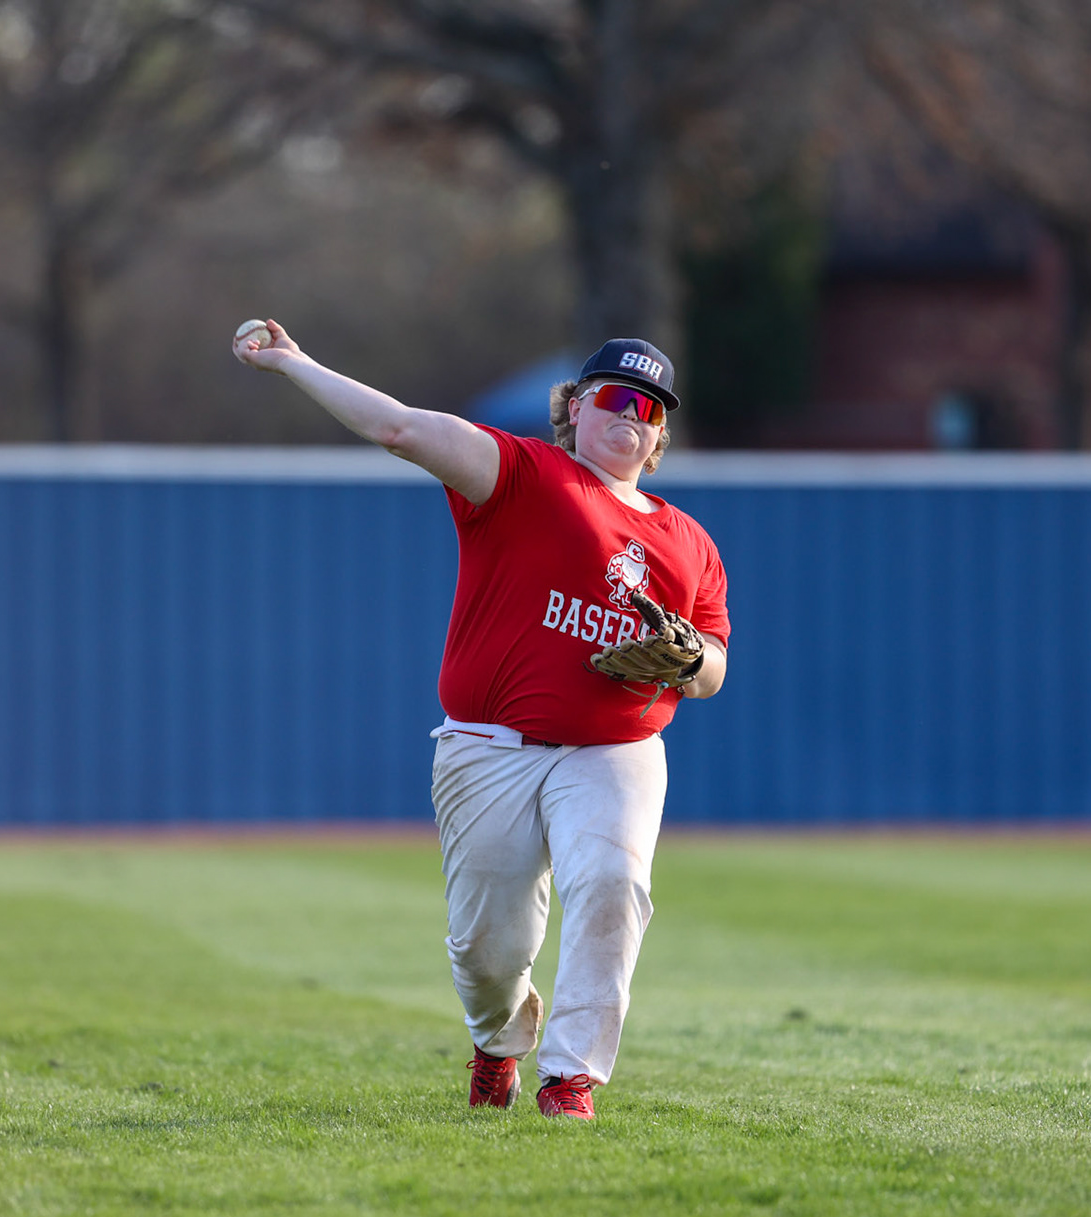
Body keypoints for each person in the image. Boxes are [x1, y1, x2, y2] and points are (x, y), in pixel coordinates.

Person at [233, 321, 730, 1119]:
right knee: (488, 950)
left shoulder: (689, 542)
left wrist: (689, 660)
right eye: (615, 397)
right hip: (488, 745)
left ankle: (570, 1077)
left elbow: (713, 667)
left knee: (612, 884)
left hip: (617, 745)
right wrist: (296, 364)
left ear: (660, 433)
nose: (631, 416)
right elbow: (399, 428)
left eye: (650, 408)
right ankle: (497, 1043)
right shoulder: (521, 473)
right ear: (575, 406)